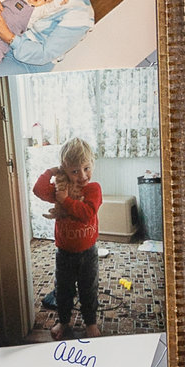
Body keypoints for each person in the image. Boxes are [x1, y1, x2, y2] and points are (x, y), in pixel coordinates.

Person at [35, 136, 104, 339]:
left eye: (86, 168)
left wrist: (65, 201)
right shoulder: (61, 190)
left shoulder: (93, 189)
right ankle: (64, 321)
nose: (82, 175)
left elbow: (87, 213)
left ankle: (90, 323)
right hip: (64, 252)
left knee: (88, 289)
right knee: (63, 290)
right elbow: (38, 189)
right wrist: (51, 172)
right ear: (65, 171)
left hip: (88, 252)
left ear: (92, 164)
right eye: (74, 171)